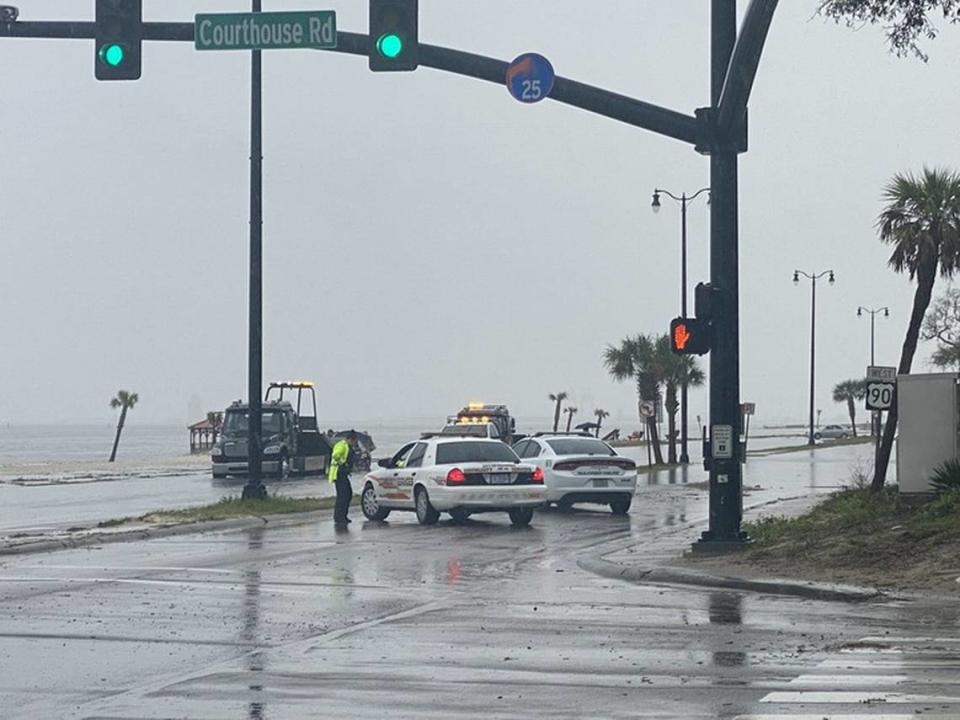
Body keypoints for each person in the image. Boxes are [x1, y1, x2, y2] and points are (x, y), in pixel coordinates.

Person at [328, 431, 357, 528]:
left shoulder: (347, 446)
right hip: (339, 473)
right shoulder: (342, 445)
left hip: (343, 474)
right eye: (353, 441)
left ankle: (343, 516)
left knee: (347, 494)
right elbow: (335, 455)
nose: (354, 444)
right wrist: (343, 463)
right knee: (343, 495)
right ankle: (339, 517)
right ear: (350, 439)